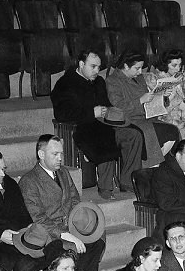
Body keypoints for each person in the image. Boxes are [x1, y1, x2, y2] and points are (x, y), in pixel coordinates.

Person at [50, 47, 141, 197]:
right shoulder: (65, 83)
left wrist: (109, 111)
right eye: (92, 66)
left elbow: (107, 103)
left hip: (104, 122)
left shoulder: (98, 81)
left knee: (134, 135)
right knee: (104, 137)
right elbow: (62, 114)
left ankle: (127, 181)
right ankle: (105, 187)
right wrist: (91, 113)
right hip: (82, 127)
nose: (96, 71)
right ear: (81, 64)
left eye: (99, 67)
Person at [18, 135, 107, 271]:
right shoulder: (29, 181)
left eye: (61, 154)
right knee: (77, 248)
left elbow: (74, 199)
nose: (60, 158)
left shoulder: (63, 172)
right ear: (41, 155)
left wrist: (78, 225)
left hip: (70, 225)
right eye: (55, 154)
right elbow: (38, 218)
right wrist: (65, 234)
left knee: (97, 238)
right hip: (50, 234)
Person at [107, 50, 180, 168]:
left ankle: (157, 165)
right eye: (137, 68)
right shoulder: (113, 81)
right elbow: (118, 106)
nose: (140, 72)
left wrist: (162, 96)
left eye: (141, 68)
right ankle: (152, 166)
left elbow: (149, 99)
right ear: (125, 66)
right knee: (166, 133)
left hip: (146, 117)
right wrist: (140, 100)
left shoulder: (139, 78)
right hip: (128, 120)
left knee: (173, 131)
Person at [148, 48, 185, 140]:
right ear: (165, 64)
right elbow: (153, 109)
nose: (178, 68)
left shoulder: (180, 78)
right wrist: (166, 95)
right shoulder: (154, 79)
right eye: (174, 65)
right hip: (166, 120)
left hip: (184, 118)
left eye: (180, 65)